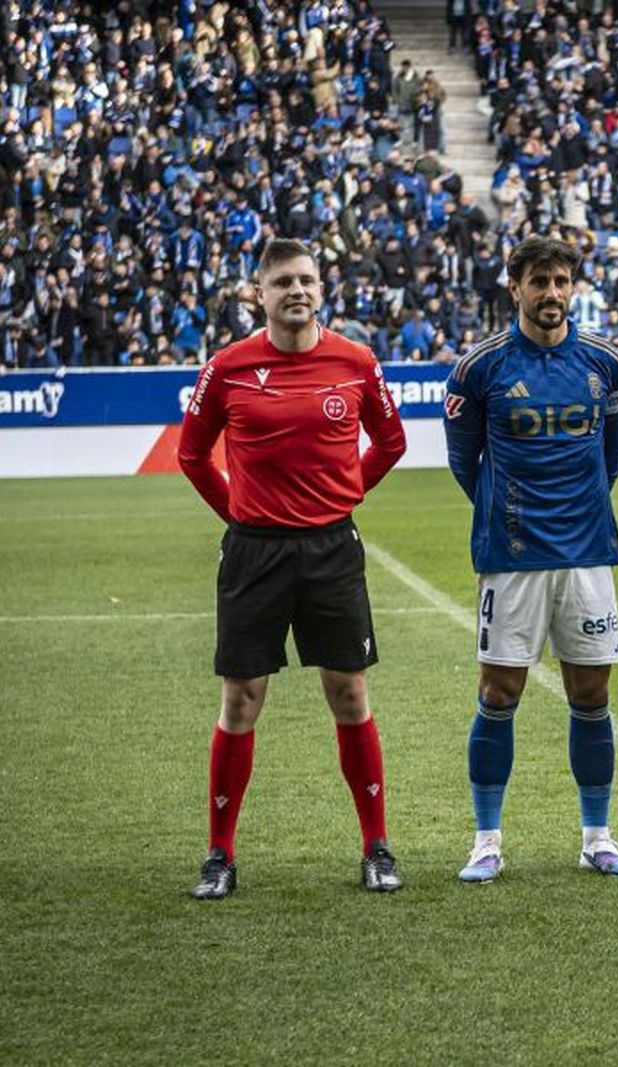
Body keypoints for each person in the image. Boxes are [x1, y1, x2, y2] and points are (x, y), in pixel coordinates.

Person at [178, 238, 409, 899]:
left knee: (349, 693)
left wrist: (347, 493)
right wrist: (239, 513)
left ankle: (377, 846)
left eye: (307, 279)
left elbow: (391, 441)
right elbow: (193, 455)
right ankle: (220, 853)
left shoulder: (355, 361)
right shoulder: (228, 367)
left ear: (322, 286)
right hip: (255, 552)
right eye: (283, 282)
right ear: (262, 292)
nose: (297, 291)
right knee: (241, 700)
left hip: (332, 549)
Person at [442, 236, 618, 882]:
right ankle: (487, 840)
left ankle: (597, 836)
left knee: (592, 691)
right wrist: (510, 511)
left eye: (561, 281)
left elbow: (611, 452)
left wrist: (579, 506)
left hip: (586, 554)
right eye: (539, 282)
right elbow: (462, 458)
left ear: (573, 286)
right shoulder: (480, 368)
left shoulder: (605, 364)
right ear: (515, 286)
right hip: (512, 556)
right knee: (500, 691)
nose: (551, 293)